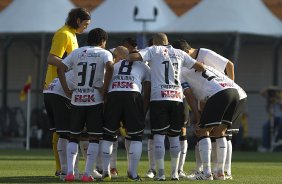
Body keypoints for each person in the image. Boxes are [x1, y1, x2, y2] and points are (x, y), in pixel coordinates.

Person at [128, 33, 204, 181]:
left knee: (159, 137)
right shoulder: (180, 53)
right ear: (167, 41)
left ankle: (161, 173)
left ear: (155, 42)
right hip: (176, 98)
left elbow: (133, 57)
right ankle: (175, 173)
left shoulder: (153, 50)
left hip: (159, 98)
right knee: (175, 137)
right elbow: (199, 67)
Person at [173, 39, 237, 179]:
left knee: (205, 131)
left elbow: (229, 65)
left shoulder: (204, 54)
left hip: (220, 93)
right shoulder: (185, 66)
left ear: (184, 52)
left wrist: (231, 83)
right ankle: (218, 172)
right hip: (222, 94)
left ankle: (210, 172)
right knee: (219, 132)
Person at [57, 28, 114, 182]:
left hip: (77, 98)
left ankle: (70, 173)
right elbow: (110, 67)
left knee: (73, 137)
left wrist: (66, 89)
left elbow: (60, 67)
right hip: (94, 100)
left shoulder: (77, 52)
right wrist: (104, 88)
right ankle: (87, 174)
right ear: (103, 41)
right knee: (94, 138)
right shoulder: (104, 53)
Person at [43, 7, 91, 177]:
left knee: (64, 131)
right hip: (55, 86)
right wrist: (71, 65)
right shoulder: (64, 34)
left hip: (64, 87)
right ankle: (61, 169)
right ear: (78, 20)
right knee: (61, 132)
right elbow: (51, 58)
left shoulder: (72, 35)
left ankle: (66, 168)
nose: (86, 27)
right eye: (85, 24)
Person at [181, 64, 241, 180]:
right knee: (220, 132)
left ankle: (206, 173)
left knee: (202, 132)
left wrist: (198, 117)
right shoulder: (205, 65)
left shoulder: (181, 71)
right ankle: (220, 172)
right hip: (234, 91)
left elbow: (189, 94)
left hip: (218, 95)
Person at [101, 46, 151, 181]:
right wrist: (143, 110)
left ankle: (105, 172)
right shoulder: (144, 67)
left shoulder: (116, 65)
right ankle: (132, 174)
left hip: (114, 95)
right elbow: (147, 92)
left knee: (108, 135)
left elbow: (106, 79)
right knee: (136, 137)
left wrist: (105, 98)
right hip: (133, 95)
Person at [259, 87, 282, 151]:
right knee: (265, 126)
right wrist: (268, 92)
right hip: (274, 118)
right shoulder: (270, 98)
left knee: (281, 121)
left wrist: (277, 100)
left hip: (281, 118)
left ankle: (279, 138)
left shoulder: (280, 97)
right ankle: (266, 146)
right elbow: (262, 93)